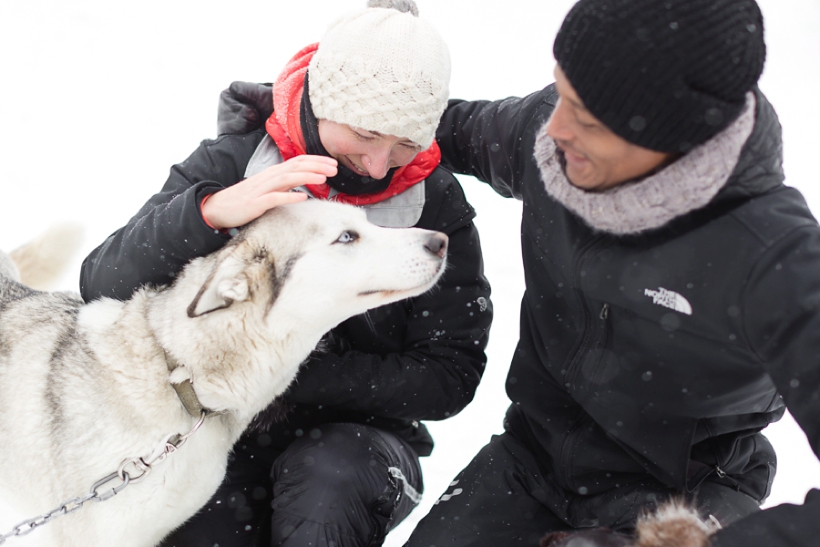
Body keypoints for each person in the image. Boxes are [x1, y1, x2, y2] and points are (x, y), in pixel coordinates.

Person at [397, 0, 820, 546]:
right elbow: (437, 130)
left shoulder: (774, 255)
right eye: (560, 92)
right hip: (533, 460)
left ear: (672, 139)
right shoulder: (552, 141)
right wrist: (304, 116)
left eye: (588, 118)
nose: (555, 127)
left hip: (684, 498)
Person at [79, 1, 492, 546]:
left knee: (330, 482)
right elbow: (101, 282)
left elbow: (449, 377)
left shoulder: (434, 202)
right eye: (365, 134)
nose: (377, 165)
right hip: (217, 430)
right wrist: (208, 214)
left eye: (406, 144)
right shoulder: (233, 164)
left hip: (361, 440)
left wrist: (283, 370)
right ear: (324, 101)